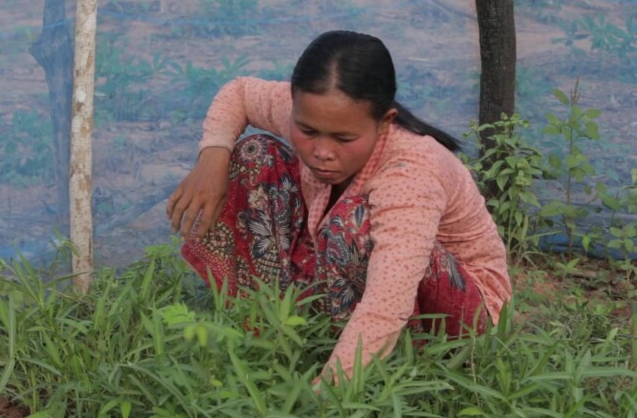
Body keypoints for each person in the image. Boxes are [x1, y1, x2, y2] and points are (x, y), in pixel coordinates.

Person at [166, 30, 511, 381]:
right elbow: (239, 92)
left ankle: (392, 366)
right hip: (356, 273)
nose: (322, 152)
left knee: (353, 225)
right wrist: (213, 157)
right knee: (257, 154)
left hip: (458, 318)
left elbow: (387, 303)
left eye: (344, 139)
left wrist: (329, 396)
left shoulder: (410, 174)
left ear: (385, 122)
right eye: (307, 131)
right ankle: (269, 329)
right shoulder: (313, 111)